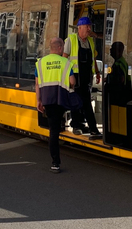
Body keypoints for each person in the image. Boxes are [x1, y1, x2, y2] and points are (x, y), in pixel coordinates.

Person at [36, 38, 76, 173]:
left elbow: (37, 84)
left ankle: (55, 163)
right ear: (59, 48)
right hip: (61, 100)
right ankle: (77, 125)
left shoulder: (41, 63)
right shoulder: (66, 62)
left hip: (47, 100)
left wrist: (39, 100)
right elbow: (72, 82)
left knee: (53, 131)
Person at [63, 16, 102, 138]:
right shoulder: (71, 39)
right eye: (87, 26)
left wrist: (97, 72)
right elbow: (64, 58)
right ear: (80, 28)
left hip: (86, 77)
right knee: (80, 102)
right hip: (75, 77)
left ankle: (79, 124)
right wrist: (68, 76)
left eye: (90, 26)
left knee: (83, 102)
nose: (89, 29)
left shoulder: (90, 41)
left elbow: (93, 58)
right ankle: (90, 128)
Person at [107, 42, 132, 107]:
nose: (110, 50)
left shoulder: (118, 64)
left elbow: (121, 79)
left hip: (118, 97)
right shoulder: (123, 62)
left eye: (112, 48)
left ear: (118, 51)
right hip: (123, 95)